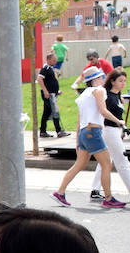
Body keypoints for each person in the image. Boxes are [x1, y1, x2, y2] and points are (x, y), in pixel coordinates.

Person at [52, 66, 125, 209]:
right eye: (102, 77)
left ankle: (59, 192)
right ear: (96, 79)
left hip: (84, 132)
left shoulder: (83, 95)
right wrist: (118, 121)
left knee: (79, 165)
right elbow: (103, 111)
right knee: (106, 165)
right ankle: (108, 198)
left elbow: (80, 119)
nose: (104, 79)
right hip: (94, 132)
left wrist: (78, 139)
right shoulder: (99, 91)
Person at [90, 69, 130, 201]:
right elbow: (103, 113)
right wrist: (118, 122)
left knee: (105, 161)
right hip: (109, 130)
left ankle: (95, 189)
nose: (123, 83)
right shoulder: (108, 97)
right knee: (122, 161)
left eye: (125, 81)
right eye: (120, 81)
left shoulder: (117, 96)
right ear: (112, 81)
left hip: (114, 131)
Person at [36, 52, 68, 139]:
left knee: (47, 113)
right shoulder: (45, 68)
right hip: (49, 95)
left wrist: (57, 91)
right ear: (48, 60)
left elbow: (50, 82)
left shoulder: (51, 68)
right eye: (54, 60)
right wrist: (45, 91)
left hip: (53, 94)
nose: (55, 62)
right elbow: (39, 79)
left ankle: (43, 131)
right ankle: (59, 131)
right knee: (55, 112)